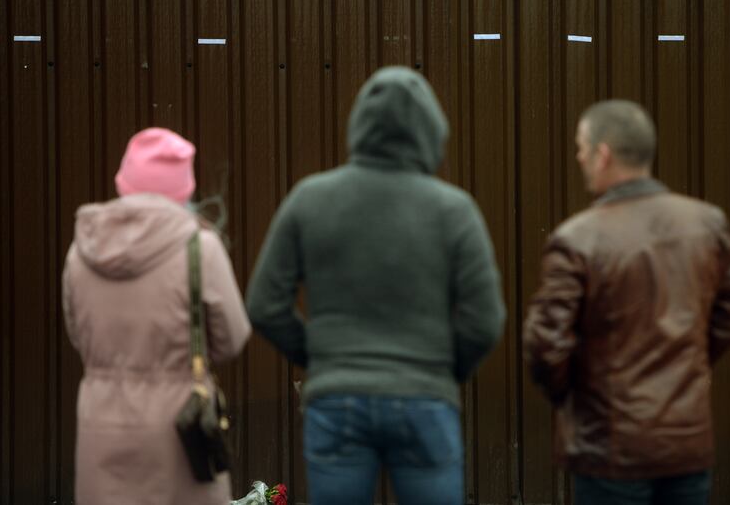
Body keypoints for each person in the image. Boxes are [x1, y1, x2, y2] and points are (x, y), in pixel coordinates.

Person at [247, 67, 506, 505]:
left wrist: (320, 358)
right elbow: (486, 321)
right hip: (425, 394)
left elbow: (264, 305)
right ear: (431, 131)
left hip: (337, 398)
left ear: (359, 127)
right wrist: (442, 369)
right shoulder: (454, 210)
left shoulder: (311, 198)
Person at [523, 100, 730, 505]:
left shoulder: (578, 238)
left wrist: (577, 397)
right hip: (686, 440)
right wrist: (685, 364)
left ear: (603, 154)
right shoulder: (706, 223)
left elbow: (545, 342)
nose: (578, 156)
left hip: (610, 447)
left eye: (582, 146)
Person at [63, 127, 251, 505]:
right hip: (180, 427)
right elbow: (232, 338)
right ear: (184, 188)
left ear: (124, 182)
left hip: (101, 421)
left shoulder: (82, 252)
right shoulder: (202, 248)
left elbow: (77, 334)